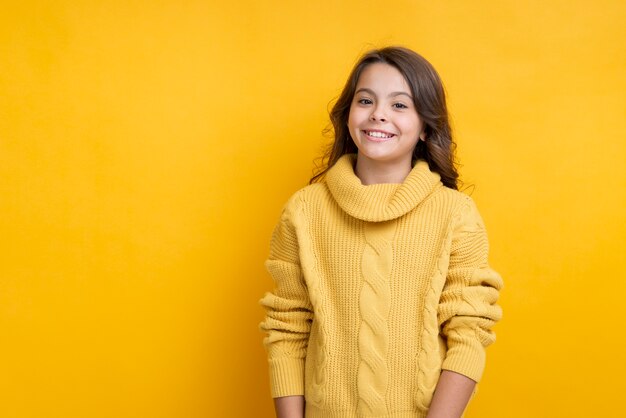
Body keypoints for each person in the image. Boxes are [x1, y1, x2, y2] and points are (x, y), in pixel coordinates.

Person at [258, 46, 504, 418]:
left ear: (425, 127)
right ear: (348, 114)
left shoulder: (455, 214)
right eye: (366, 100)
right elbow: (288, 330)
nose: (378, 115)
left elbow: (469, 333)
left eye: (400, 105)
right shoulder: (304, 212)